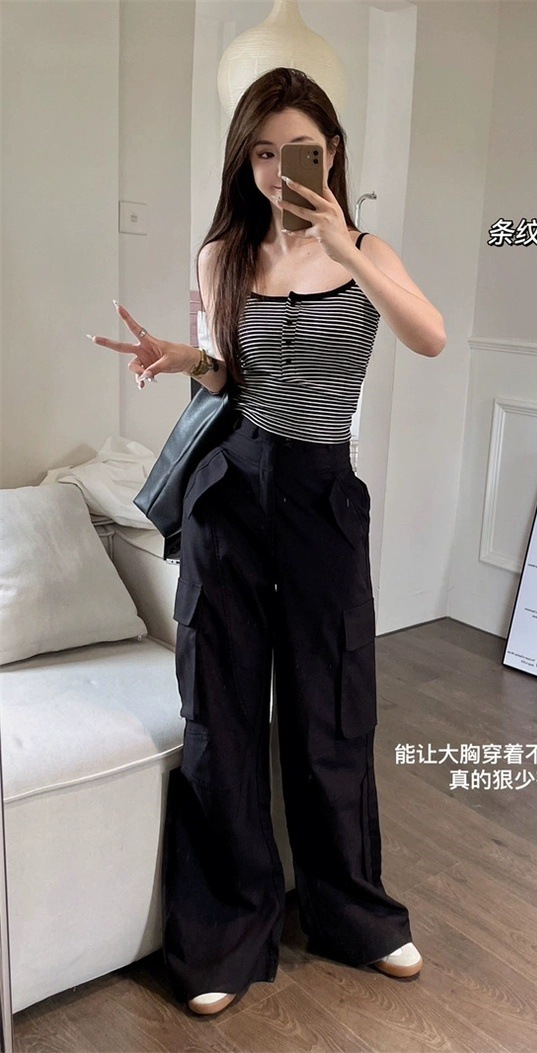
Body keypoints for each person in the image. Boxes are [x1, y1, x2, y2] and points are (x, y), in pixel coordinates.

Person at [88, 68, 445, 1017]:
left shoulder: (366, 251)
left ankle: (352, 912)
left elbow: (430, 336)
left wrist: (344, 245)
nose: (279, 170)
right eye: (261, 153)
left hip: (323, 499)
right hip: (230, 495)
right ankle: (226, 929)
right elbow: (231, 378)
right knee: (223, 709)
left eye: (300, 151)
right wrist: (188, 359)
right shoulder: (223, 254)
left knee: (335, 705)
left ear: (331, 153)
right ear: (243, 161)